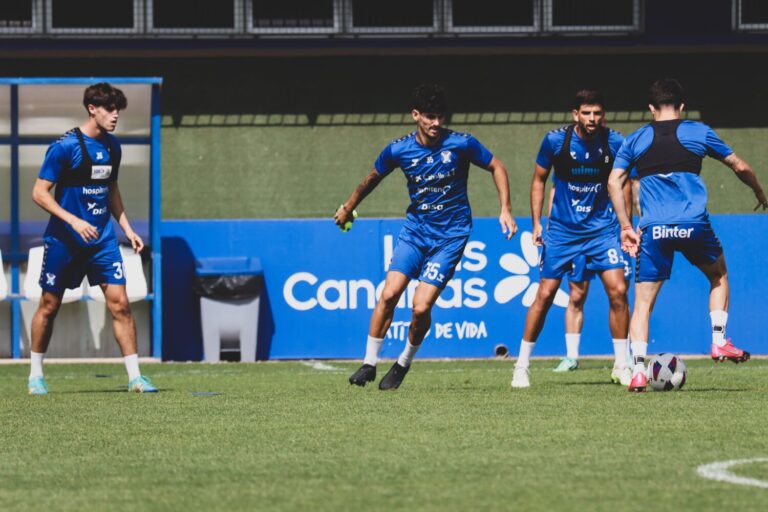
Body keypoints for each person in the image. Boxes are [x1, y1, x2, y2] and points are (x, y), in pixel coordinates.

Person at [338, 83, 517, 390]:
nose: (436, 123)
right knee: (389, 294)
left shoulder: (461, 143)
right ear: (415, 115)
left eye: (440, 117)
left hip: (450, 237)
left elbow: (496, 166)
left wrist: (506, 209)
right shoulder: (399, 150)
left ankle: (403, 363)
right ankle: (368, 363)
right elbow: (372, 178)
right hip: (415, 233)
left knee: (420, 307)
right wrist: (348, 207)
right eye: (430, 117)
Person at [608, 78, 768, 392]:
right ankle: (719, 340)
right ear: (682, 107)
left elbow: (614, 182)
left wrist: (626, 226)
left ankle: (637, 371)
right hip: (693, 225)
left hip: (654, 229)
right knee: (718, 276)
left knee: (642, 304)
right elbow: (738, 165)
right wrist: (759, 191)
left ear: (651, 108)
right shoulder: (698, 132)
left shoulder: (636, 138)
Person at [28, 82, 157, 395]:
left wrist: (127, 229)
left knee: (121, 304)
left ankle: (136, 378)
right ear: (92, 109)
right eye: (109, 109)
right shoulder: (64, 147)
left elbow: (111, 189)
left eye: (117, 110)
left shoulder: (113, 147)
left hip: (102, 241)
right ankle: (35, 376)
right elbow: (39, 193)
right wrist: (74, 221)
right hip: (64, 240)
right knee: (49, 305)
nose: (115, 116)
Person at [511, 89, 631, 389]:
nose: (592, 118)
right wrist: (537, 223)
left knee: (618, 290)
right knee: (545, 294)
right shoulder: (555, 141)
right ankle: (521, 366)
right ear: (575, 114)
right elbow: (539, 180)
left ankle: (622, 365)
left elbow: (624, 183)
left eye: (597, 113)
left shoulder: (615, 142)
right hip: (562, 231)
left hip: (602, 231)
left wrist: (625, 225)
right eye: (586, 113)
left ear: (603, 115)